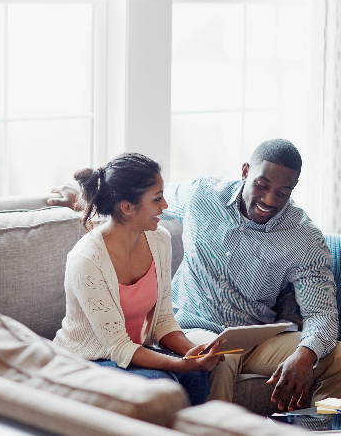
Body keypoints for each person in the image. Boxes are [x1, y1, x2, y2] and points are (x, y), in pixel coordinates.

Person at [49, 139, 341, 411]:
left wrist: (306, 354)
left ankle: (325, 430)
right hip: (198, 327)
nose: (269, 200)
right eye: (262, 186)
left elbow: (323, 316)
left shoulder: (303, 237)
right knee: (217, 363)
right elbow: (137, 201)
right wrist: (82, 198)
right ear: (244, 172)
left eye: (282, 192)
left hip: (257, 334)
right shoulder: (202, 196)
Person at [52, 153, 224, 406]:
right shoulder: (87, 259)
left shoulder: (160, 240)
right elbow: (118, 347)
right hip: (86, 360)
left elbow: (164, 321)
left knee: (196, 377)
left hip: (129, 352)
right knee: (162, 384)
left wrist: (192, 354)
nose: (165, 205)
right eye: (157, 199)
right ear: (127, 207)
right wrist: (181, 364)